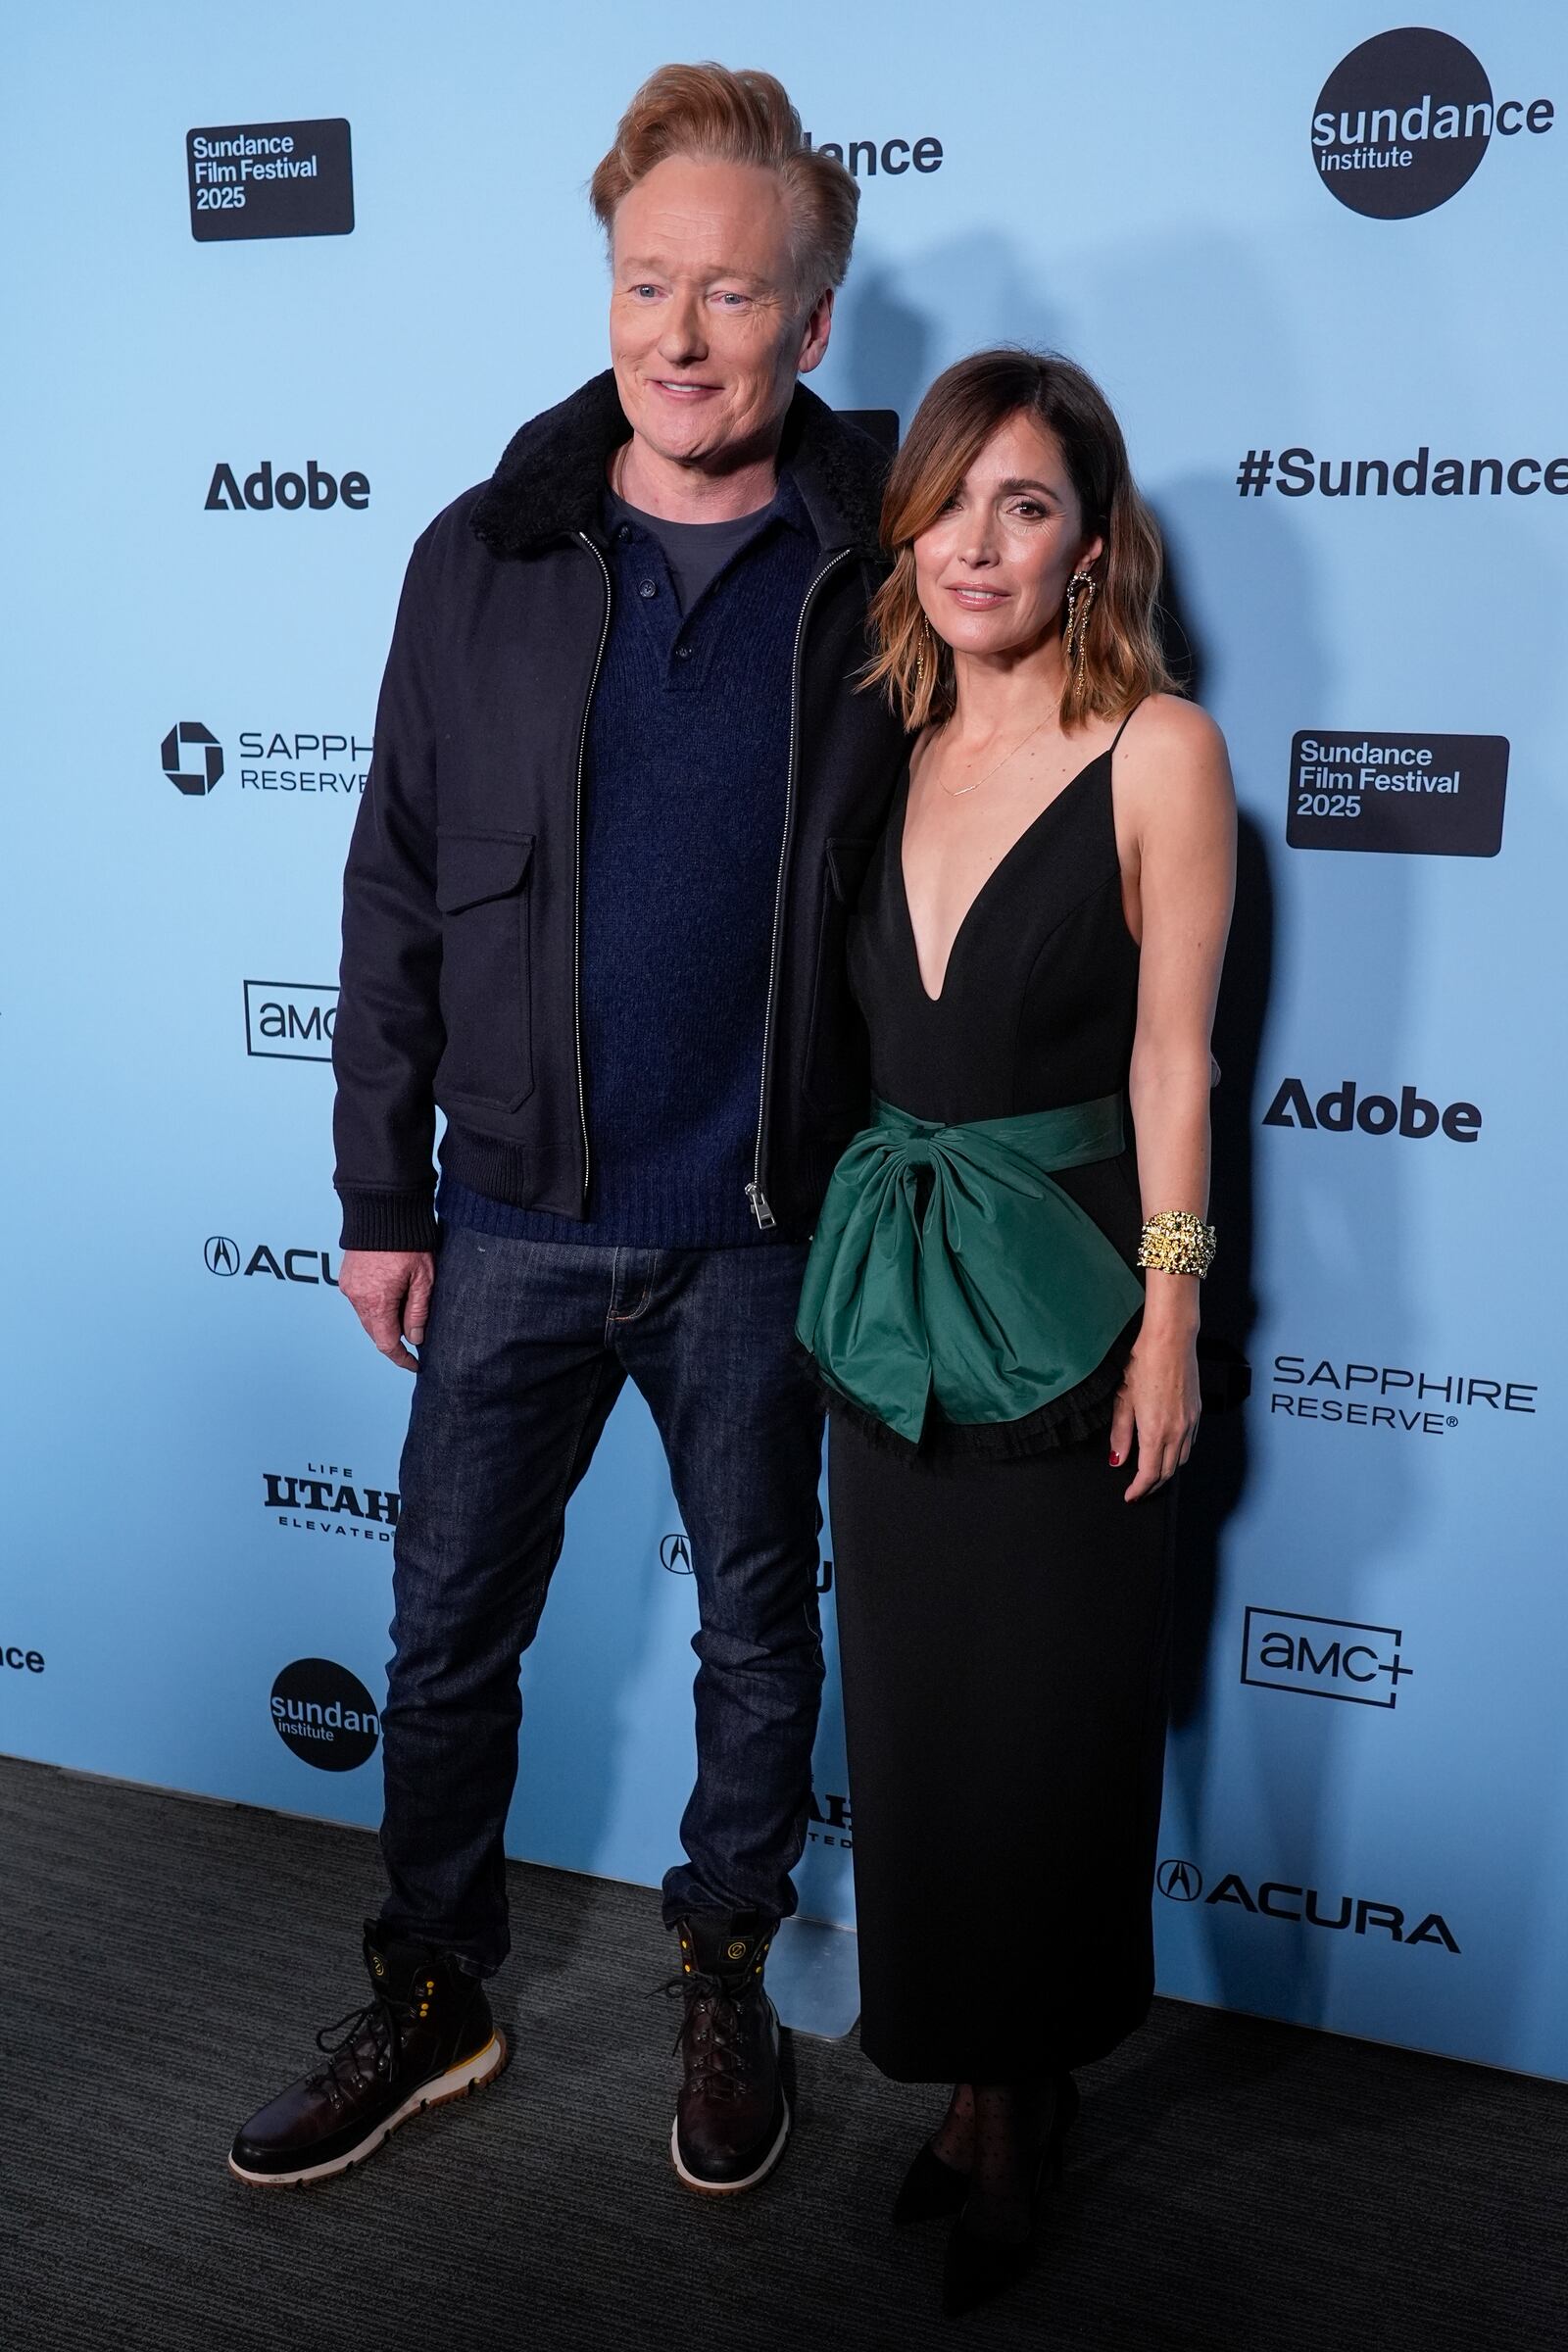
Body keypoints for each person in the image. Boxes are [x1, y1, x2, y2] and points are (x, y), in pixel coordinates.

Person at [228, 63, 906, 2196]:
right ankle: (433, 1992)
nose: (677, 334)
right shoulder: (484, 552)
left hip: (764, 1224)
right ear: (604, 290)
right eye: (643, 284)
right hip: (510, 1212)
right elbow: (395, 882)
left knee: (755, 1635)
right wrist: (374, 1189)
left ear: (810, 323)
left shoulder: (889, 557)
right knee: (441, 1636)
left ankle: (724, 1972)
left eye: (729, 293)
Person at [795, 350, 1236, 2314]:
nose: (975, 540)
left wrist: (1171, 1313)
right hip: (883, 1314)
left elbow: (1172, 1059)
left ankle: (1021, 2095)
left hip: (1062, 1313)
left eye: (1025, 504)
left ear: (1085, 543)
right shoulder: (876, 732)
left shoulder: (1156, 747)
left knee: (1048, 1738)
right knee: (919, 1741)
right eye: (949, 498)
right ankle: (974, 2096)